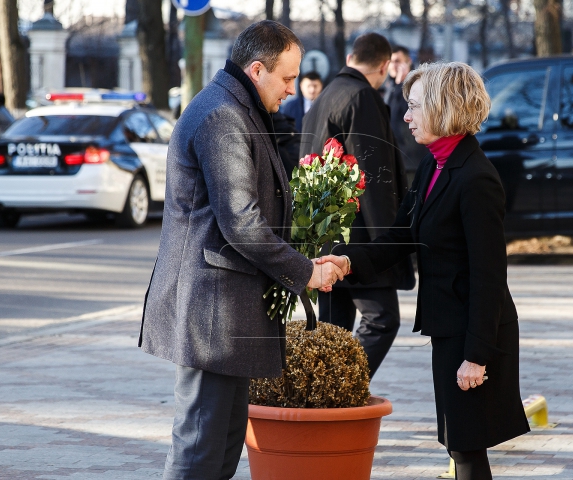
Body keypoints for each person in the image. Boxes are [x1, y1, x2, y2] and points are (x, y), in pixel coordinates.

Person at [138, 21, 346, 480]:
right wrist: (305, 272)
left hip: (224, 317)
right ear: (257, 70)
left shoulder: (236, 107)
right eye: (287, 78)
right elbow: (242, 223)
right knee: (199, 453)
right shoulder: (222, 117)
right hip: (211, 317)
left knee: (221, 450)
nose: (292, 89)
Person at [319, 62, 530, 479]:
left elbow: (490, 275)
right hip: (449, 326)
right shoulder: (435, 165)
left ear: (443, 108)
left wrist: (476, 356)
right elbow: (401, 235)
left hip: (472, 333)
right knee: (459, 443)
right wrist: (347, 261)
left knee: (466, 447)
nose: (406, 115)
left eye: (414, 107)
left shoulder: (476, 178)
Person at [300, 33, 415, 379]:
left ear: (351, 57)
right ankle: (341, 388)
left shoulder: (323, 98)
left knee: (333, 331)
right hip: (360, 240)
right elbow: (375, 177)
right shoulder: (363, 97)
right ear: (383, 66)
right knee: (382, 320)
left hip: (324, 235)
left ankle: (325, 405)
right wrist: (388, 251)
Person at [384, 45, 429, 177]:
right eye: (390, 62)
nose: (393, 66)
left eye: (397, 61)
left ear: (408, 61)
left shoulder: (415, 86)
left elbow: (404, 110)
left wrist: (400, 84)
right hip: (397, 158)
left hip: (411, 160)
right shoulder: (390, 86)